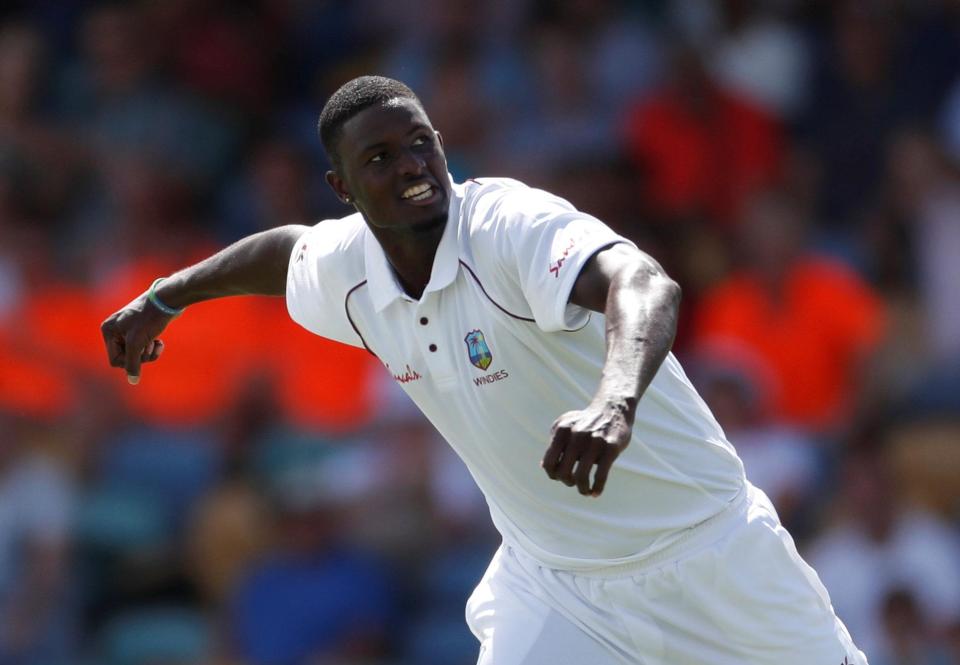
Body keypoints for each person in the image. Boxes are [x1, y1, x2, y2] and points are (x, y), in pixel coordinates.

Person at [101, 75, 868, 665]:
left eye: (420, 143)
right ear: (342, 189)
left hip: (709, 554)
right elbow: (281, 253)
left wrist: (615, 399)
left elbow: (645, 283)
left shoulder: (508, 226)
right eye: (379, 158)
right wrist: (165, 298)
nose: (412, 168)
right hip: (558, 583)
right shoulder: (350, 268)